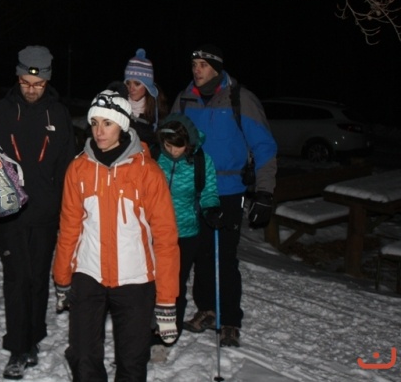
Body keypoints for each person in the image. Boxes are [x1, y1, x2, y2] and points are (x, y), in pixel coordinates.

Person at [53, 90, 180, 381]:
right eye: (94, 123)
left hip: (135, 280)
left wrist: (166, 300)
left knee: (133, 362)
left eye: (107, 123)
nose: (99, 131)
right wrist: (62, 278)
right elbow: (69, 228)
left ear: (122, 126)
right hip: (88, 275)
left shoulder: (148, 172)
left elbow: (165, 239)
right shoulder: (78, 169)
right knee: (83, 357)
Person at [171, 44, 277, 348]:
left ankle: (230, 319)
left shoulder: (239, 99)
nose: (197, 70)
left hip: (227, 190)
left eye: (203, 65)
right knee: (197, 254)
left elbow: (264, 147)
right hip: (192, 189)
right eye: (194, 64)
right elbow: (170, 141)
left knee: (224, 256)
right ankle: (206, 309)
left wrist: (265, 192)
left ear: (216, 68)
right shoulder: (185, 99)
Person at [0, 45, 75, 380]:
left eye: (38, 84)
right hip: (9, 215)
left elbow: (67, 166)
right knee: (17, 278)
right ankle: (18, 347)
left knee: (37, 278)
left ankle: (34, 336)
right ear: (17, 77)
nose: (32, 90)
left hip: (46, 213)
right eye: (25, 83)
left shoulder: (58, 114)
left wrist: (66, 208)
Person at [154, 113, 221, 342]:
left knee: (175, 282)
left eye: (177, 146)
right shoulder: (155, 157)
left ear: (188, 142)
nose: (172, 151)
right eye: (167, 145)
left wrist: (211, 209)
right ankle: (150, 324)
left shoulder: (201, 161)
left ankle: (171, 329)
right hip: (155, 231)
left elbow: (209, 191)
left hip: (186, 232)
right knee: (152, 281)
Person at [120, 48, 168, 153]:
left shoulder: (158, 113)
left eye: (137, 84)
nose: (131, 88)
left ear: (147, 86)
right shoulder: (118, 107)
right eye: (128, 83)